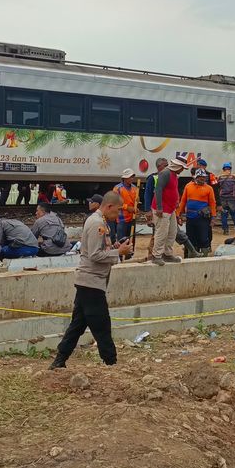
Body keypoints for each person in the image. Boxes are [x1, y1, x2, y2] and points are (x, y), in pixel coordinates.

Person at [50, 191, 132, 369]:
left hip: (87, 281)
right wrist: (118, 253)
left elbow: (98, 248)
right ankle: (111, 362)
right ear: (109, 206)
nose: (117, 215)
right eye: (117, 211)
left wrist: (115, 247)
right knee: (102, 325)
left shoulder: (100, 222)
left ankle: (59, 360)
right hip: (92, 283)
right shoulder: (97, 223)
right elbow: (95, 254)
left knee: (78, 325)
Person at [150, 157, 183, 265]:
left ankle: (167, 254)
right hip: (162, 209)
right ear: (178, 166)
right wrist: (159, 207)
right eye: (182, 167)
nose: (182, 170)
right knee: (162, 232)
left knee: (172, 232)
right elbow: (158, 189)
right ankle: (156, 255)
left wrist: (176, 199)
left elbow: (173, 189)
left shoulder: (174, 175)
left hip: (170, 208)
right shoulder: (165, 173)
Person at [178, 168, 217, 253]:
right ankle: (192, 257)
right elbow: (183, 201)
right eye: (200, 177)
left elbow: (212, 203)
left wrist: (213, 217)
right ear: (196, 177)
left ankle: (204, 257)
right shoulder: (188, 186)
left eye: (203, 177)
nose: (202, 179)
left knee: (203, 239)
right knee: (191, 239)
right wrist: (179, 214)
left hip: (203, 219)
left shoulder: (209, 188)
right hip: (190, 218)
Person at [217, 162, 235, 236]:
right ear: (230, 169)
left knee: (224, 215)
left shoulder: (219, 177)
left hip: (222, 199)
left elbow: (216, 188)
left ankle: (225, 231)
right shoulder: (234, 177)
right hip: (232, 199)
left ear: (223, 169)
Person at [112, 169, 139, 244]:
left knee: (131, 241)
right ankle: (121, 255)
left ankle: (129, 255)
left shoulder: (134, 188)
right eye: (130, 177)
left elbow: (135, 203)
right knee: (122, 241)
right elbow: (114, 204)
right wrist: (127, 208)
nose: (132, 179)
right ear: (125, 178)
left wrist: (135, 208)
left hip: (132, 219)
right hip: (121, 219)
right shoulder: (117, 189)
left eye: (132, 177)